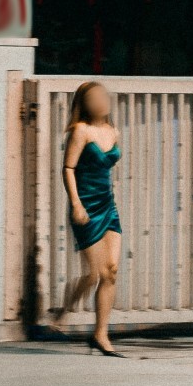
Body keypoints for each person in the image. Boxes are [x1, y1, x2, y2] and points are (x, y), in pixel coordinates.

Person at [54, 80, 125, 356]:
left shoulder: (113, 130)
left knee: (111, 272)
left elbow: (106, 167)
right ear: (83, 104)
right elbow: (69, 168)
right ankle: (64, 308)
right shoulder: (80, 131)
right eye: (93, 97)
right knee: (94, 274)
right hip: (85, 207)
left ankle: (100, 334)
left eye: (103, 96)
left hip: (108, 207)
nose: (101, 101)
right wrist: (76, 204)